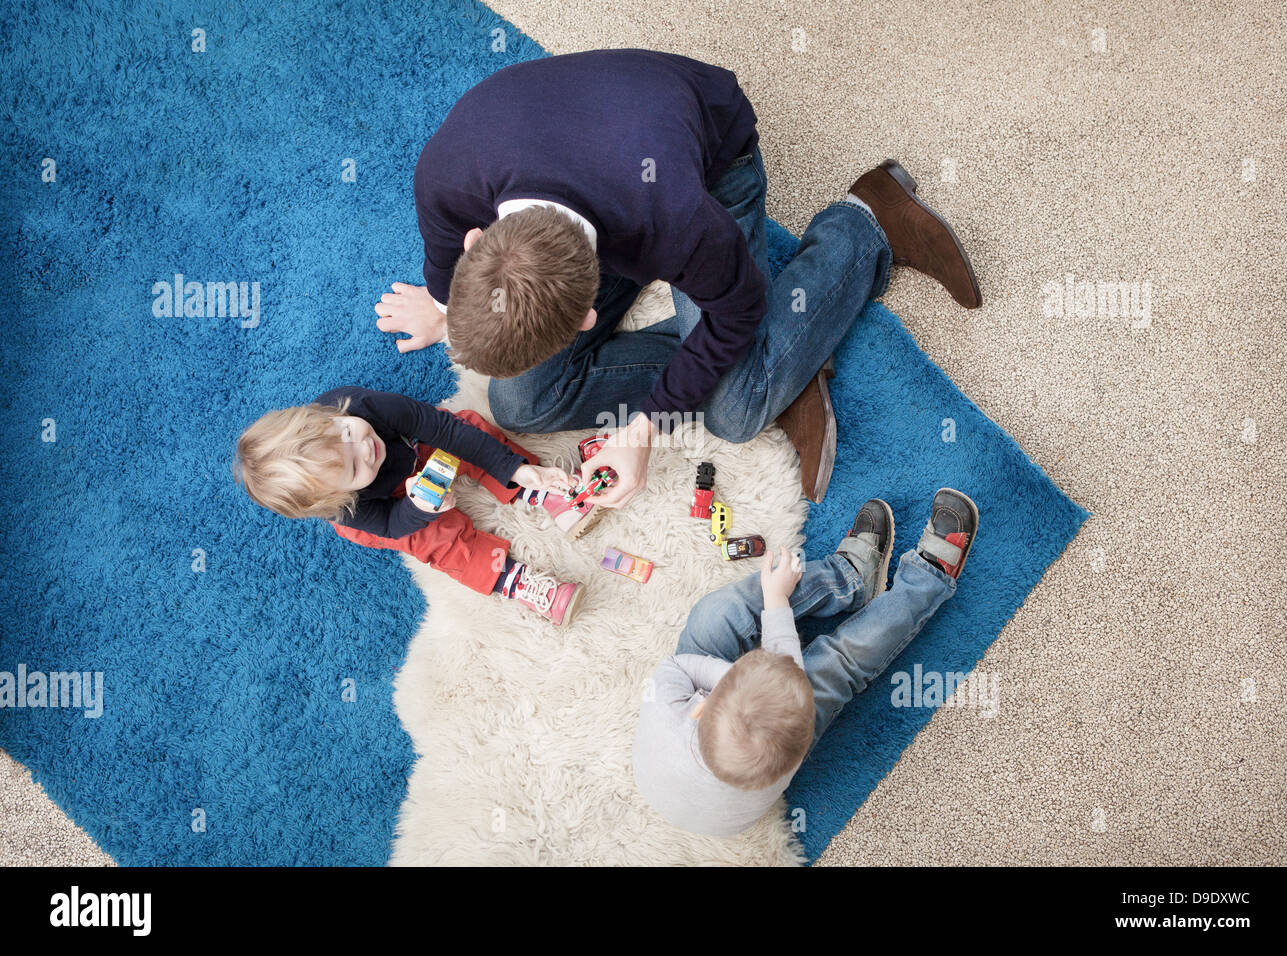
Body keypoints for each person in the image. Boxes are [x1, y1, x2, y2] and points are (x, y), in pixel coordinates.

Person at [374, 49, 982, 504]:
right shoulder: (445, 178)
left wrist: (642, 431)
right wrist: (444, 307)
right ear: (476, 240)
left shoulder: (681, 223)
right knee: (520, 400)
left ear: (586, 315)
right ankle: (782, 355)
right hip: (607, 159)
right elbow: (445, 262)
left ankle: (869, 223)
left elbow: (736, 311)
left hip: (714, 162)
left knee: (737, 411)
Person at [632, 489, 978, 836]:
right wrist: (774, 603)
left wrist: (769, 616)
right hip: (727, 758)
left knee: (714, 615)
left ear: (700, 706)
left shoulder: (664, 696)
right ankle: (925, 580)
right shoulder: (778, 759)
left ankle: (849, 577)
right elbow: (784, 668)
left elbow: (680, 665)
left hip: (700, 726)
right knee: (839, 665)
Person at [232, 387, 590, 625]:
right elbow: (392, 526)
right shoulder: (345, 509)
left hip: (415, 450)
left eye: (346, 434)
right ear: (337, 497)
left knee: (468, 428)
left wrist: (515, 469)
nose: (364, 448)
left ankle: (536, 488)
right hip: (391, 507)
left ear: (330, 416)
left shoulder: (360, 407)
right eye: (354, 467)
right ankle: (509, 579)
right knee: (433, 540)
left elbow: (439, 427)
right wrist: (420, 509)